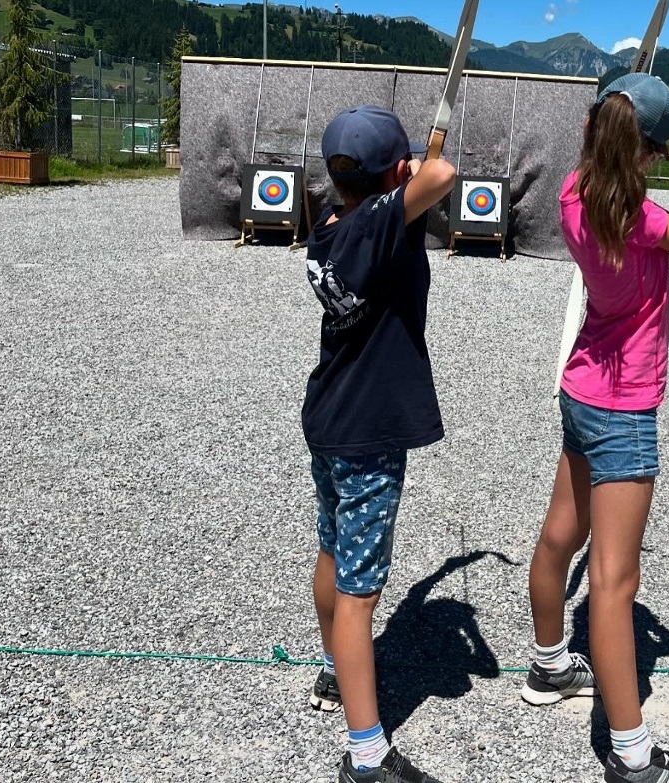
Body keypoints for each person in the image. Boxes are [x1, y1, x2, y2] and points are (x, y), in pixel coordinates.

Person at [522, 72, 669, 783]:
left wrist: (620, 141)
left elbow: (603, 163)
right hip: (625, 409)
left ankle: (549, 665)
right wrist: (644, 180)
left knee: (558, 537)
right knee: (612, 580)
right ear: (647, 153)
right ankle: (632, 757)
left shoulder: (573, 193)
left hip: (581, 389)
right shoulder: (646, 218)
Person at [301, 104, 456, 783]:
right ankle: (366, 754)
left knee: (332, 551)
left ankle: (336, 669)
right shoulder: (375, 226)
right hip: (368, 435)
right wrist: (416, 168)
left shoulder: (330, 227)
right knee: (361, 594)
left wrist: (399, 175)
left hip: (331, 419)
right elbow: (443, 172)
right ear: (393, 173)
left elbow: (415, 188)